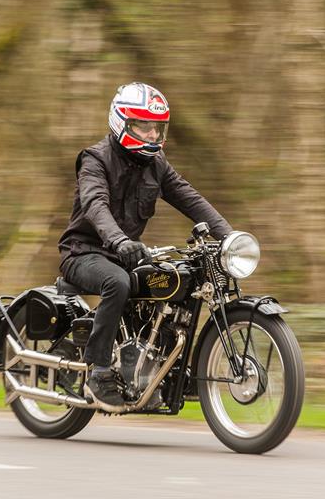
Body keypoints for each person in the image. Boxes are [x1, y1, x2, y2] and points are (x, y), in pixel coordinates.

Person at [58, 82, 232, 407]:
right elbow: (95, 204)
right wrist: (119, 240)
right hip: (84, 252)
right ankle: (97, 373)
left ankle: (159, 369)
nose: (152, 134)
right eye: (143, 125)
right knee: (117, 282)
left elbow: (188, 197)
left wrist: (231, 238)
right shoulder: (95, 160)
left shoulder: (156, 164)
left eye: (157, 127)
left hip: (125, 253)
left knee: (171, 280)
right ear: (122, 121)